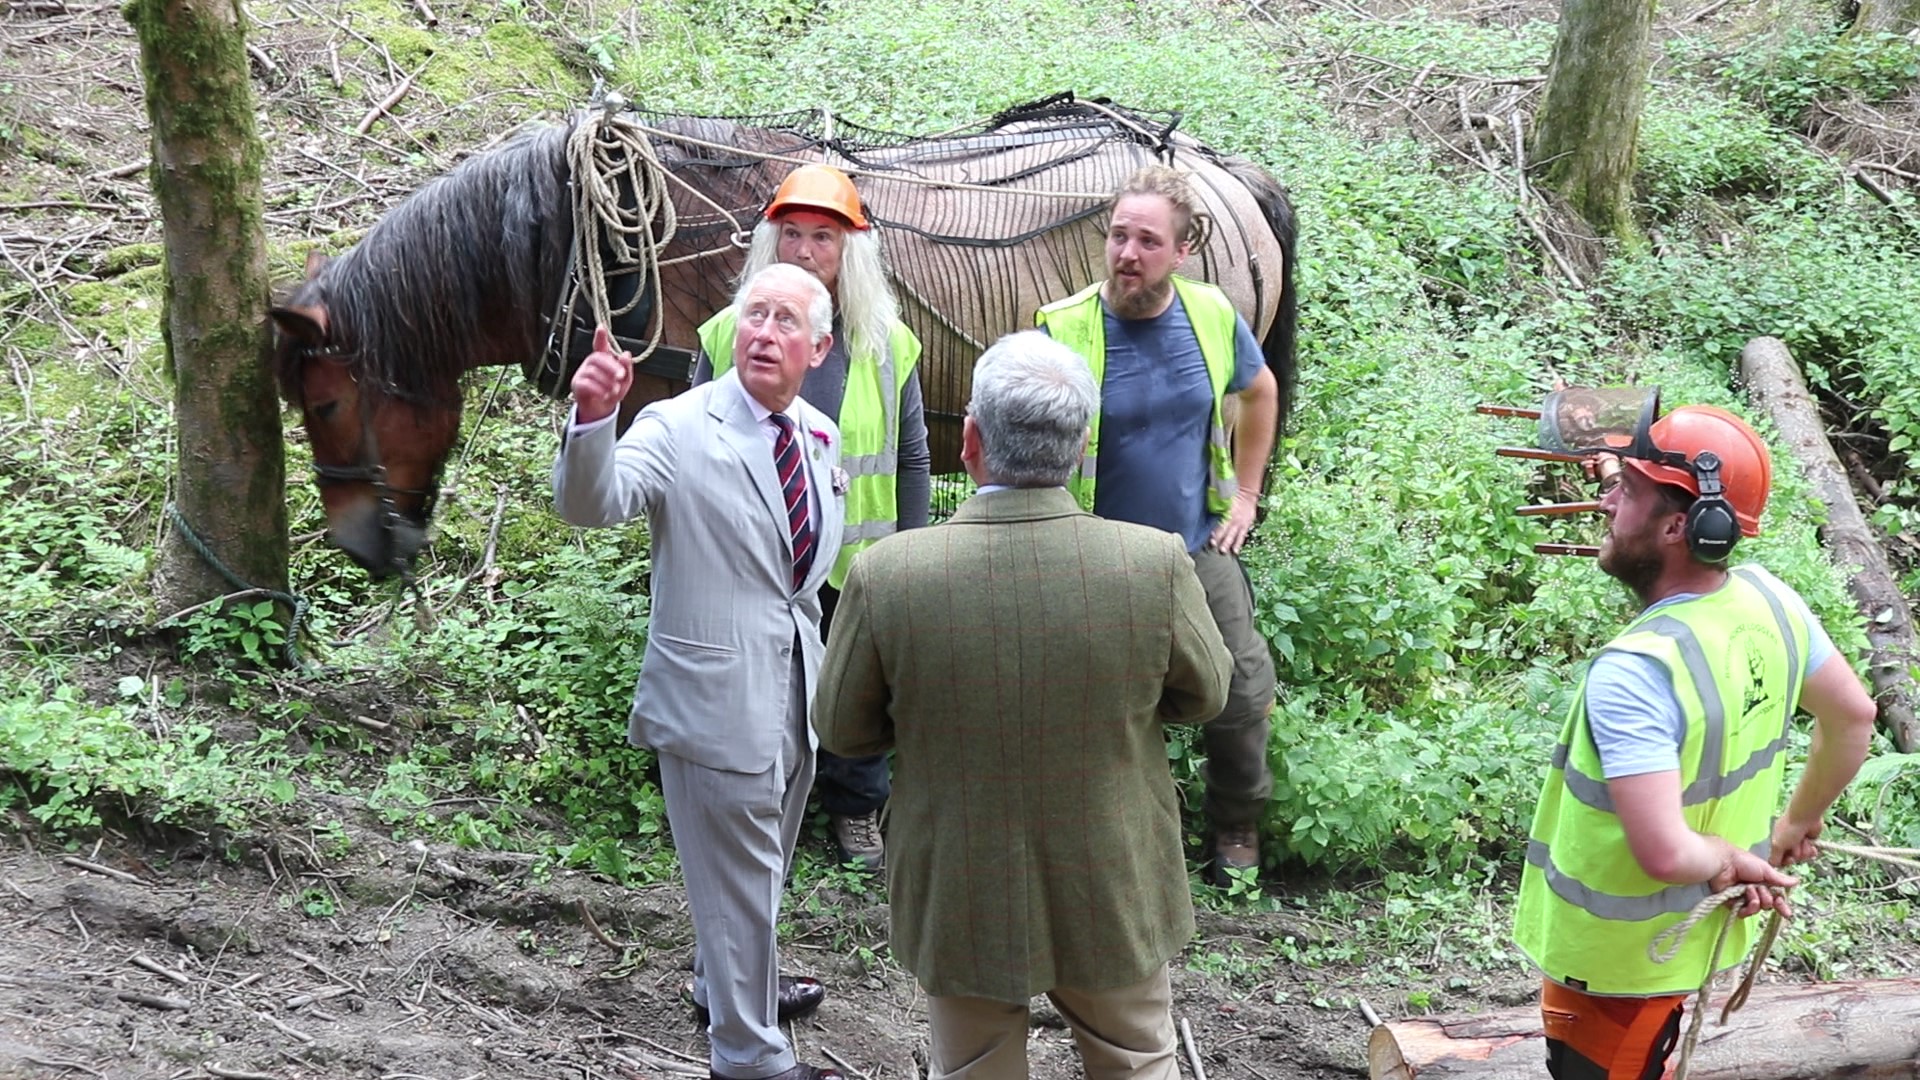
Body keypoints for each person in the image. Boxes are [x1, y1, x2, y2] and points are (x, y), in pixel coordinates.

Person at [815, 331, 1233, 1080]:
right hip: (1113, 870)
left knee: (973, 1068)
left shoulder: (888, 575)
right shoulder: (1153, 563)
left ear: (970, 438)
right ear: (1080, 449)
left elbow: (842, 729)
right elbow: (1206, 694)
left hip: (960, 880)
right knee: (1138, 1060)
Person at [1511, 403, 1878, 1080]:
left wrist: (1728, 856)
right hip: (1696, 942)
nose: (1606, 497)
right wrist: (1795, 823)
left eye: (1628, 490)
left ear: (1681, 526)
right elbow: (1853, 716)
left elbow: (1663, 850)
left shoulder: (1636, 671)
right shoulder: (1771, 600)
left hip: (1616, 963)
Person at [554, 262, 848, 1080]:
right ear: (732, 330)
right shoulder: (679, 426)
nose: (766, 332)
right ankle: (749, 1057)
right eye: (755, 314)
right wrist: (593, 419)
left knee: (755, 878)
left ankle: (731, 990)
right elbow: (592, 503)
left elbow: (803, 585)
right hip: (712, 700)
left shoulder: (819, 440)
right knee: (742, 878)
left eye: (787, 321)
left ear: (817, 348)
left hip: (795, 698)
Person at [1034, 164, 1281, 881]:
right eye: (1118, 235)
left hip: (1194, 543)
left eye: (1147, 240)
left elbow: (1259, 392)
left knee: (1240, 692)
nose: (1127, 253)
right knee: (1099, 712)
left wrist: (1246, 495)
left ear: (1181, 252)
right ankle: (1106, 846)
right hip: (1095, 555)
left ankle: (1236, 827)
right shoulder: (1063, 326)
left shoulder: (1209, 316)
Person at [693, 162, 930, 872]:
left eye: (822, 238)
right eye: (791, 234)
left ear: (849, 250)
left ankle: (856, 810)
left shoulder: (887, 344)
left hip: (853, 563)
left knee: (857, 686)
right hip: (754, 560)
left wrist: (907, 556)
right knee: (759, 689)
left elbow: (912, 458)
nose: (803, 250)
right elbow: (695, 446)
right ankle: (764, 810)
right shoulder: (726, 336)